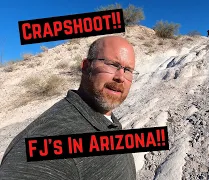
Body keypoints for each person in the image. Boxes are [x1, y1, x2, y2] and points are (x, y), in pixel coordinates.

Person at [0, 36, 138, 180]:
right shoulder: (47, 141)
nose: (120, 77)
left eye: (128, 69)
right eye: (112, 64)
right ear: (86, 67)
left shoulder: (108, 120)